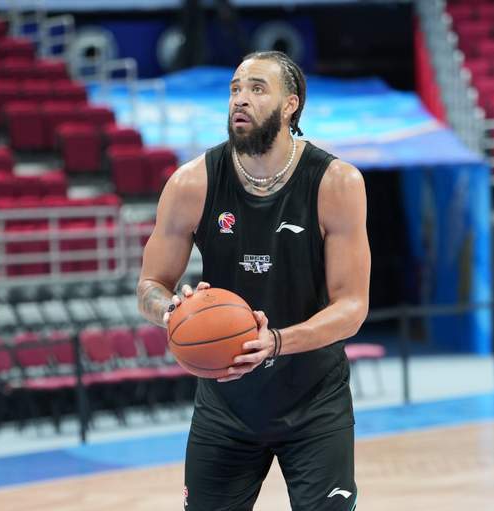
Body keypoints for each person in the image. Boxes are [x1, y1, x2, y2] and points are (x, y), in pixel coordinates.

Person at [137, 51, 370, 511]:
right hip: (226, 406)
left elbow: (351, 307)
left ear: (290, 105)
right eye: (235, 89)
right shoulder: (191, 184)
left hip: (314, 401)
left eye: (257, 89)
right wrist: (172, 310)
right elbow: (149, 285)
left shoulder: (336, 183)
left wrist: (276, 341)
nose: (240, 99)